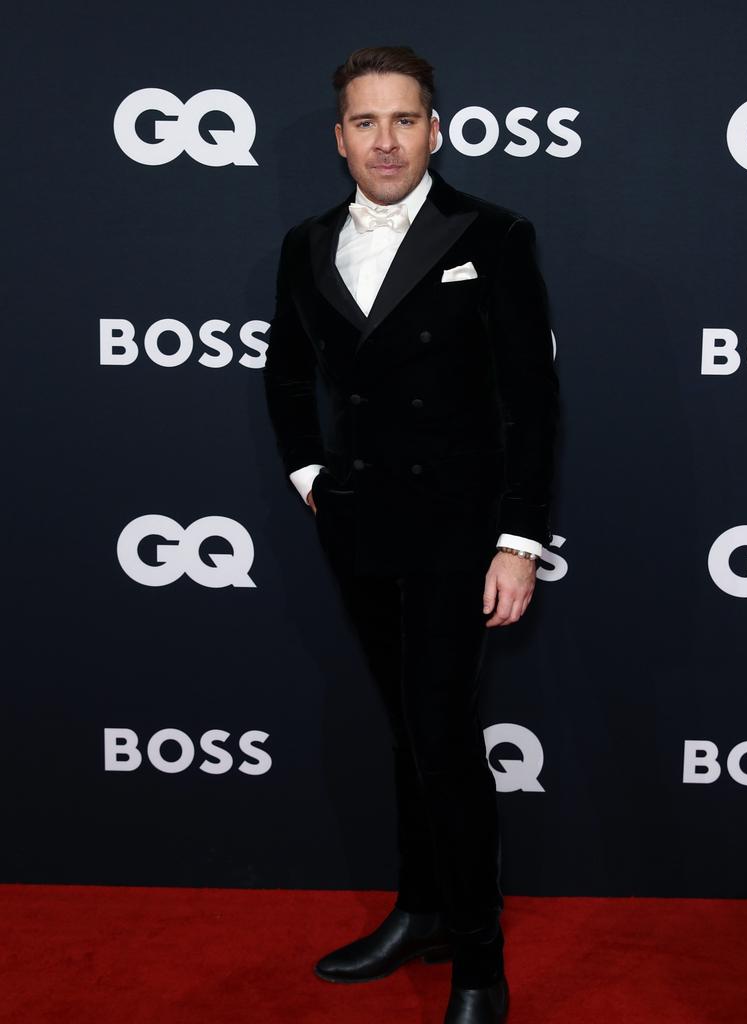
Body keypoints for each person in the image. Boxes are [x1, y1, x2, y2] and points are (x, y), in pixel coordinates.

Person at [263, 44, 559, 1024]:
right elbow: (285, 376)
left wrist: (518, 539)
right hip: (359, 528)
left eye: (403, 119)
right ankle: (420, 907)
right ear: (339, 138)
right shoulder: (306, 243)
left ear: (435, 128)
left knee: (438, 730)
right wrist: (311, 473)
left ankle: (479, 960)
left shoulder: (494, 232)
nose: (385, 140)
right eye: (364, 122)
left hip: (458, 532)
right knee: (404, 727)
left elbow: (531, 400)